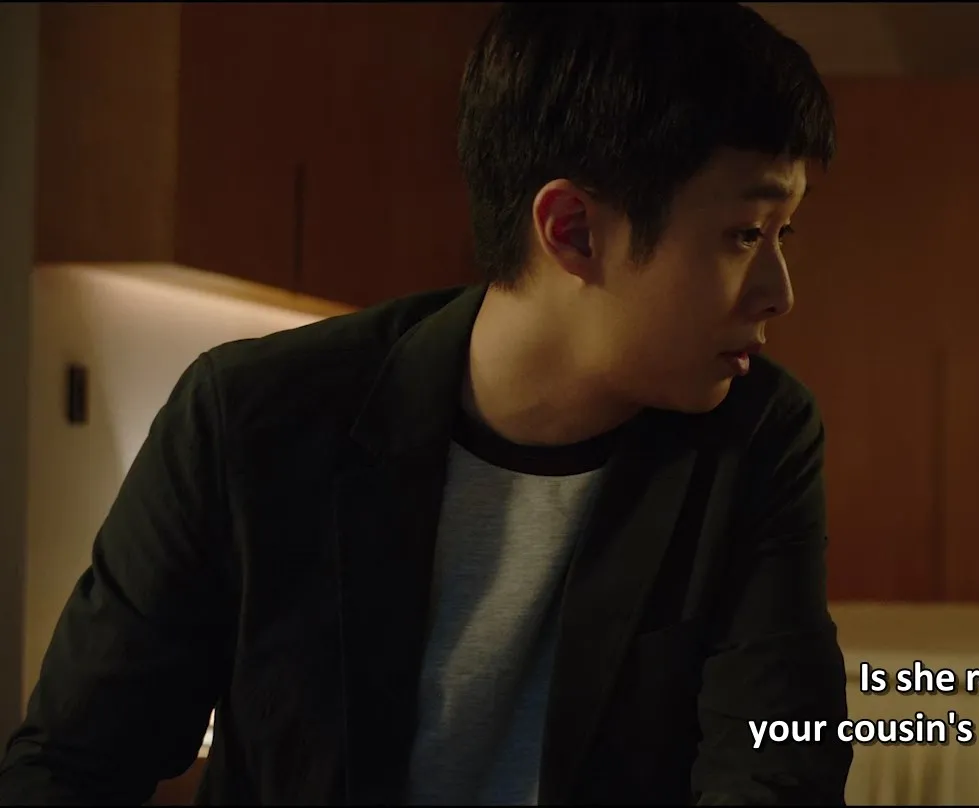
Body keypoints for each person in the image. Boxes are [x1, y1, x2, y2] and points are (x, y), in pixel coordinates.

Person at [0, 3, 852, 804]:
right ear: (573, 231)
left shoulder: (757, 435)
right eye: (745, 234)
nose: (779, 291)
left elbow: (777, 768)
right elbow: (73, 764)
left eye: (785, 234)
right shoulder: (250, 418)